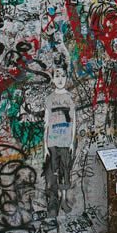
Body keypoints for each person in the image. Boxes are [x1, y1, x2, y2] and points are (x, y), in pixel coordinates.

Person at [44, 54, 77, 216]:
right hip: (52, 141)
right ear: (53, 78)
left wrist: (72, 142)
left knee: (65, 170)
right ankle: (55, 199)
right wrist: (45, 147)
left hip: (65, 141)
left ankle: (64, 199)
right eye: (57, 76)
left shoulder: (70, 98)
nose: (60, 79)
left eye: (63, 76)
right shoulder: (49, 99)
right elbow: (46, 123)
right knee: (54, 171)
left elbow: (74, 121)